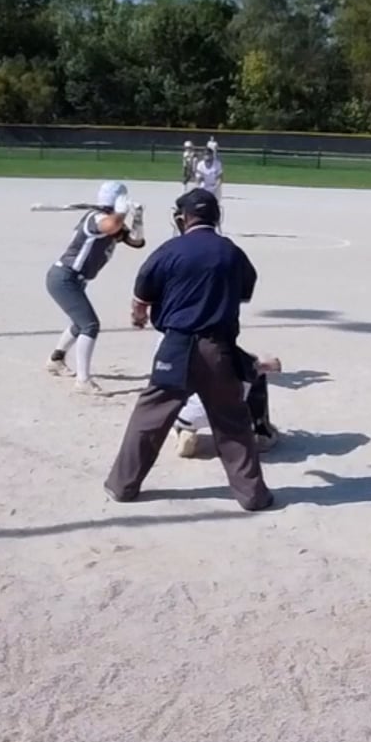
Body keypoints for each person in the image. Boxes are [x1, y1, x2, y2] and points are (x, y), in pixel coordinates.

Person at [105, 187, 274, 512]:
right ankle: (252, 495)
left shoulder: (169, 250)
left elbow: (141, 299)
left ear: (183, 219)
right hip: (218, 348)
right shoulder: (232, 252)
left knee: (149, 417)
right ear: (216, 217)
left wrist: (140, 317)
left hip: (176, 346)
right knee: (232, 422)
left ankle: (122, 486)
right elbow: (243, 293)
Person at [46, 181, 146, 396]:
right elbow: (110, 226)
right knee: (90, 325)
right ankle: (83, 381)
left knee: (79, 323)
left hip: (76, 281)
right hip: (64, 278)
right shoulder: (97, 218)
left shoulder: (114, 221)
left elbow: (137, 242)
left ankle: (56, 359)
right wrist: (121, 211)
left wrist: (137, 218)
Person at [173, 351, 283, 459]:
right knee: (255, 373)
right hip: (227, 414)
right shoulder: (233, 355)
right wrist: (266, 363)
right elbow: (261, 365)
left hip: (186, 413)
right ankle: (261, 432)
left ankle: (185, 429)